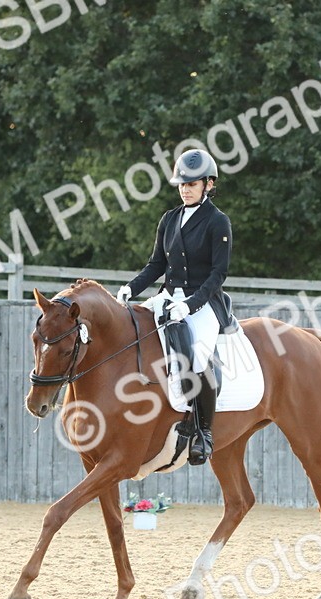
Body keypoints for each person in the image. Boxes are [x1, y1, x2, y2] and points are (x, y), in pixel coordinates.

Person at [115, 148, 234, 465]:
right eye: (182, 184)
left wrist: (191, 306)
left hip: (204, 303)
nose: (185, 188)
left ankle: (203, 432)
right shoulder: (169, 219)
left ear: (208, 184)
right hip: (168, 298)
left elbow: (217, 275)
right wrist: (131, 288)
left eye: (192, 184)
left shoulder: (218, 222)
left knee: (197, 357)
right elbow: (155, 265)